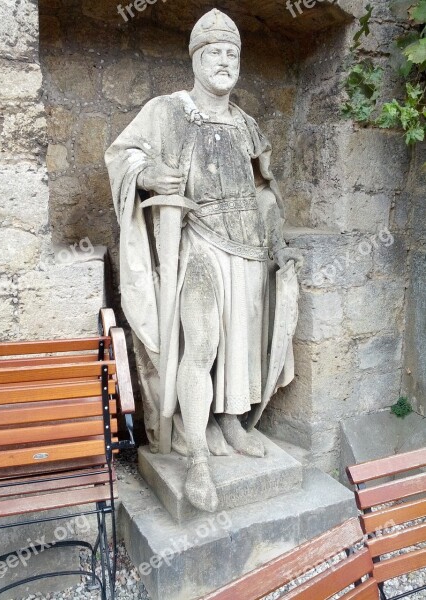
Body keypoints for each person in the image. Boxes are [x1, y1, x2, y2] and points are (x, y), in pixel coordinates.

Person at [105, 8, 303, 513]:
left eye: (232, 53)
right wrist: (148, 175)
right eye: (214, 52)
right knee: (202, 345)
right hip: (199, 245)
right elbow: (121, 152)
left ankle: (229, 422)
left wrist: (278, 243)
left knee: (241, 349)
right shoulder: (167, 110)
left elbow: (265, 192)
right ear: (195, 59)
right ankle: (196, 456)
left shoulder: (247, 123)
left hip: (250, 251)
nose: (224, 61)